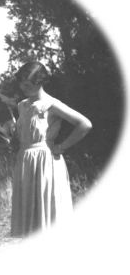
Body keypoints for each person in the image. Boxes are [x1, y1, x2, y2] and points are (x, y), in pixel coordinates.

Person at [10, 61, 92, 237]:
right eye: (21, 83)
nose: (23, 87)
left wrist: (61, 147)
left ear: (39, 82)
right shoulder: (22, 106)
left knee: (48, 216)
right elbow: (22, 135)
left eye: (28, 83)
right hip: (25, 162)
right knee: (29, 219)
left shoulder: (51, 104)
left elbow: (84, 124)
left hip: (46, 162)